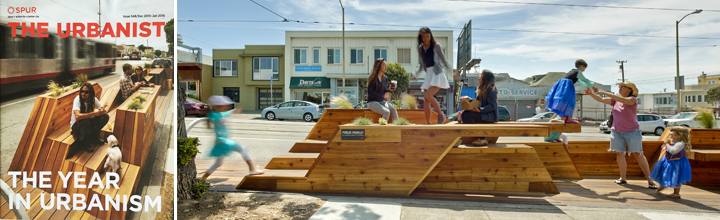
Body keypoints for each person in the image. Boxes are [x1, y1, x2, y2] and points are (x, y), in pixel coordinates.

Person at [584, 81, 658, 189]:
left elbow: (623, 100)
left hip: (632, 131)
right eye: (619, 86)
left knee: (638, 154)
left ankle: (650, 181)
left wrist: (603, 91)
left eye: (623, 87)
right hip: (616, 132)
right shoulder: (615, 101)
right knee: (620, 154)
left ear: (630, 90)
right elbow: (601, 99)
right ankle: (623, 178)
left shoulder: (632, 100)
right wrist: (591, 94)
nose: (620, 88)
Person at [201, 96, 264, 181]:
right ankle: (252, 169)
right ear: (218, 106)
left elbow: (226, 113)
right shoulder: (215, 114)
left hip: (220, 141)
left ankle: (202, 180)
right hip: (222, 141)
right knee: (242, 148)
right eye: (224, 105)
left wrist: (234, 111)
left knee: (218, 163)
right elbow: (210, 118)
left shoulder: (219, 113)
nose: (227, 107)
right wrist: (209, 123)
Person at [411, 27, 451, 124]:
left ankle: (441, 115)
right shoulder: (421, 48)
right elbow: (421, 64)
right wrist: (415, 73)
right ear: (421, 38)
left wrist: (451, 71)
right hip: (428, 73)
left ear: (430, 36)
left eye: (427, 36)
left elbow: (443, 59)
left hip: (437, 73)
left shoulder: (436, 46)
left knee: (428, 95)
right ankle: (428, 123)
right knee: (426, 99)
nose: (426, 39)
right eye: (423, 37)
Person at [545, 59, 597, 124]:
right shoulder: (578, 72)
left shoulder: (572, 72)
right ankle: (568, 118)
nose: (584, 70)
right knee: (570, 101)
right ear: (581, 66)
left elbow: (581, 82)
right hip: (567, 86)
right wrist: (593, 87)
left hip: (562, 85)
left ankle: (568, 118)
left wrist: (587, 87)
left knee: (566, 101)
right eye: (584, 68)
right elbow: (585, 80)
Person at [650, 126, 692, 199]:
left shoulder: (680, 144)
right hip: (669, 162)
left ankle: (676, 193)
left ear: (679, 134)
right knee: (665, 173)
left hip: (677, 164)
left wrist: (667, 145)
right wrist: (666, 144)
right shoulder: (674, 142)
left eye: (672, 131)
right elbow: (665, 148)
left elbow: (673, 151)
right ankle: (663, 184)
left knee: (676, 177)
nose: (670, 133)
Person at [459, 69, 498, 146]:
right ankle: (472, 136)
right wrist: (469, 99)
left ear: (485, 78)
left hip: (489, 116)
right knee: (464, 114)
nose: (479, 76)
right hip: (484, 114)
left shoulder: (490, 89)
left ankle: (482, 138)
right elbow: (477, 101)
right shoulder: (483, 89)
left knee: (468, 115)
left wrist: (480, 110)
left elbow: (492, 106)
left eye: (481, 75)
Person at [70, 83, 109, 153]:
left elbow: (101, 107)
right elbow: (77, 116)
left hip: (87, 122)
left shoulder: (93, 99)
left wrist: (102, 110)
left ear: (90, 93)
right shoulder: (77, 100)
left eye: (86, 92)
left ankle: (94, 137)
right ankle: (84, 143)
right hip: (76, 125)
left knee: (105, 116)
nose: (83, 93)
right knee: (85, 121)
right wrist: (94, 113)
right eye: (82, 91)